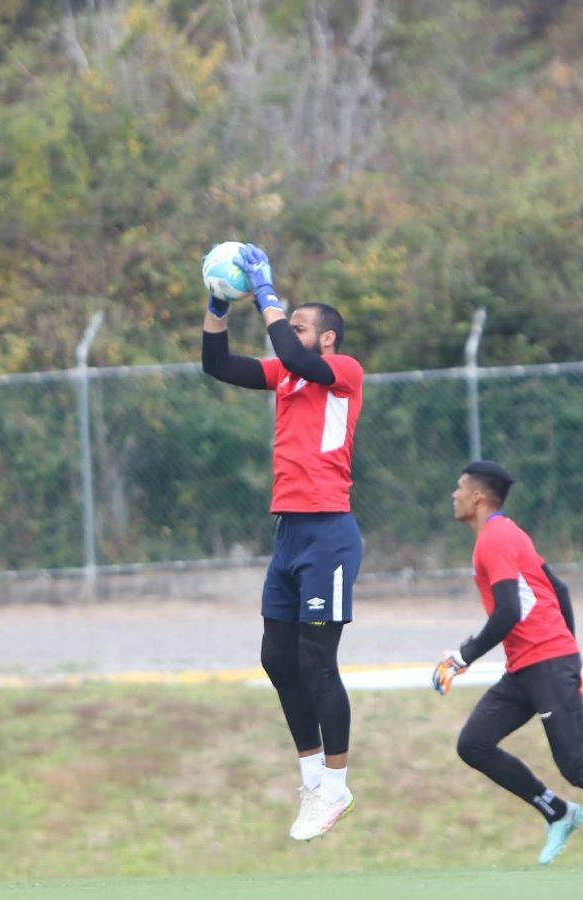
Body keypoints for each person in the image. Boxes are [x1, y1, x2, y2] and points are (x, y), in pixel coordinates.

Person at [433, 460, 583, 865]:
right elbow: (558, 589)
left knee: (577, 766)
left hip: (546, 663)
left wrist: (463, 657)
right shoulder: (505, 534)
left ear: (477, 496)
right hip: (527, 668)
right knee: (473, 745)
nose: (453, 495)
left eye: (459, 488)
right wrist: (572, 659)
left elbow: (508, 611)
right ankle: (558, 812)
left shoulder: (496, 538)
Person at [201, 243, 363, 841]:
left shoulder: (343, 372)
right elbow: (218, 365)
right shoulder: (287, 376)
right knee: (278, 659)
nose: (288, 334)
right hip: (290, 533)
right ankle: (313, 780)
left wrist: (267, 293)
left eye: (300, 326)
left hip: (329, 534)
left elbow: (292, 353)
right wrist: (220, 303)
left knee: (319, 662)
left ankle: (337, 787)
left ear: (327, 339)